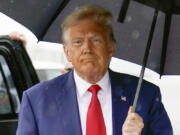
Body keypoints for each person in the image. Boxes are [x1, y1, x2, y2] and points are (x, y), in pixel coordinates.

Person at [15, 4, 173, 135]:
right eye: (78, 42)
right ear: (67, 52)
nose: (87, 49)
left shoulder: (146, 95)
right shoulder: (37, 100)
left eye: (96, 40)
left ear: (111, 48)